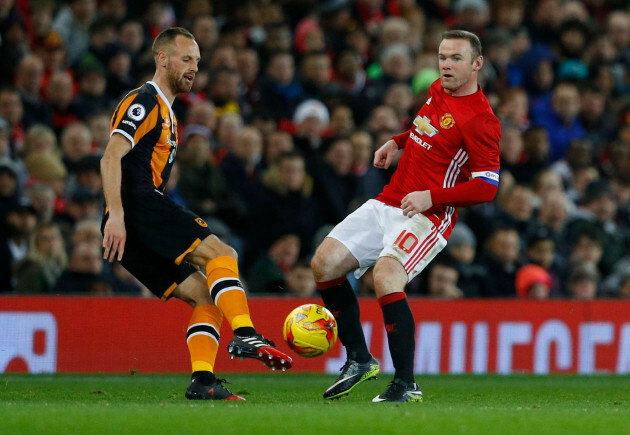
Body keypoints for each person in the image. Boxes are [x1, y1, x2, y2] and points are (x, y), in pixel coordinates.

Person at [100, 27, 292, 402]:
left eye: (197, 62)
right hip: (138, 206)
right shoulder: (145, 100)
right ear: (162, 58)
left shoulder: (168, 111)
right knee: (223, 254)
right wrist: (117, 215)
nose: (194, 68)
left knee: (207, 298)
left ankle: (202, 381)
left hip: (136, 219)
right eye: (186, 59)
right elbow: (110, 156)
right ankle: (247, 335)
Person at [311, 30, 501, 403]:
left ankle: (405, 384)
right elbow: (426, 129)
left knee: (386, 275)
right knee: (324, 264)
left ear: (477, 64)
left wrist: (433, 196)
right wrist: (398, 142)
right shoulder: (437, 89)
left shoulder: (481, 120)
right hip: (388, 201)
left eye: (456, 58)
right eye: (443, 56)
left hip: (427, 215)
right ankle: (359, 359)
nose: (446, 64)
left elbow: (487, 187)